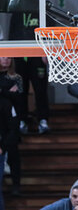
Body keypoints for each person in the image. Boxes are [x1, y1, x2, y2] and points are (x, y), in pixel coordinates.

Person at [0, 57, 22, 195]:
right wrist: (7, 91)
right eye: (3, 57)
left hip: (11, 115)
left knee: (13, 150)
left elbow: (18, 96)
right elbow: (10, 93)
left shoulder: (17, 77)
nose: (6, 60)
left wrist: (2, 91)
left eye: (9, 57)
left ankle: (16, 186)